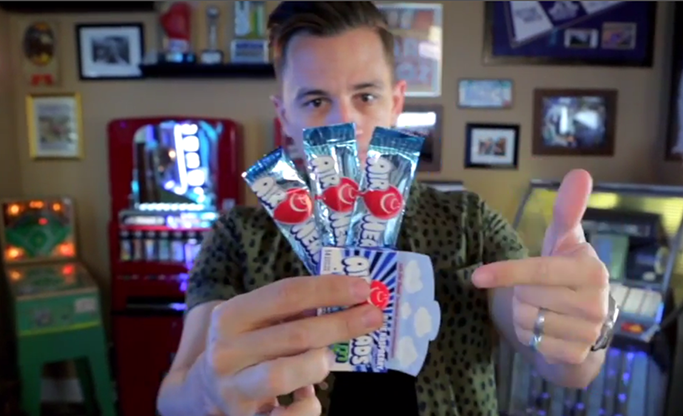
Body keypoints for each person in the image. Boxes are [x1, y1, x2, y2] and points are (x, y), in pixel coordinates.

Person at [156, 2, 617, 415]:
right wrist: (206, 392)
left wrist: (580, 324)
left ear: (396, 103)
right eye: (315, 100)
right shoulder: (240, 236)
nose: (345, 121)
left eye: (366, 96)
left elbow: (566, 366)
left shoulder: (466, 222)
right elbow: (173, 395)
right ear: (285, 117)